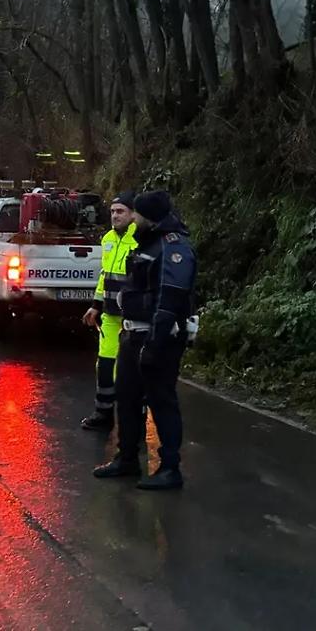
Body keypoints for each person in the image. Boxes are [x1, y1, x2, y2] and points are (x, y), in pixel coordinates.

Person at [94, 190, 196, 490]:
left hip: (157, 338)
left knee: (161, 400)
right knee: (126, 398)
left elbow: (169, 299)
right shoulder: (146, 243)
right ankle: (126, 458)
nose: (132, 218)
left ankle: (170, 467)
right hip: (132, 333)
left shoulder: (173, 248)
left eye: (136, 214)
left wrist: (155, 342)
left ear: (149, 217)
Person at [80, 191, 138, 432]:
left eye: (120, 211)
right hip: (111, 315)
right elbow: (105, 276)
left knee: (132, 370)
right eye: (113, 211)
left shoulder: (140, 240)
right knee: (104, 365)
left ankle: (134, 421)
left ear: (133, 214)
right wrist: (96, 304)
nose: (115, 216)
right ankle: (103, 413)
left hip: (134, 317)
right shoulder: (108, 239)